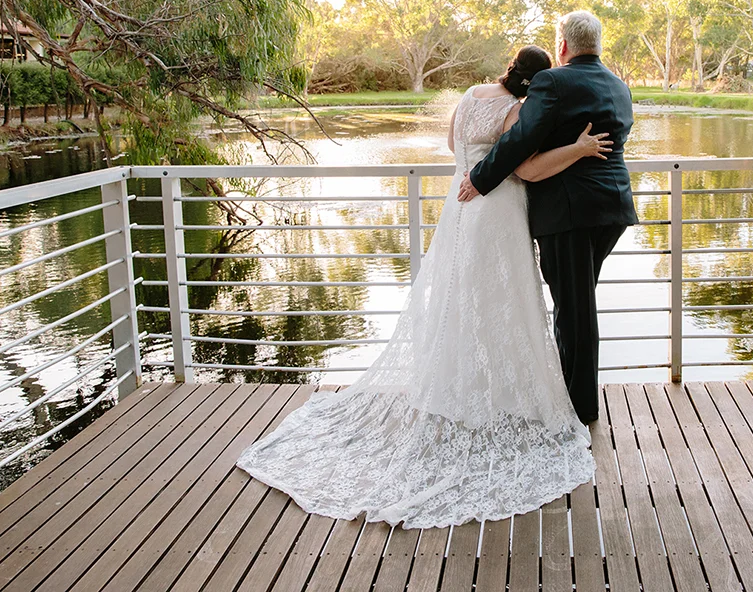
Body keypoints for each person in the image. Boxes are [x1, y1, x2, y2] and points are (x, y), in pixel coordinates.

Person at [236, 46, 612, 528]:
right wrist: (578, 149)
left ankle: (453, 386)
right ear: (538, 84)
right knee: (503, 301)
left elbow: (456, 147)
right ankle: (498, 392)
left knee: (458, 297)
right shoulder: (517, 113)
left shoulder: (472, 94)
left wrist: (474, 165)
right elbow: (526, 168)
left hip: (459, 208)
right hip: (497, 211)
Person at [459, 11, 637, 424]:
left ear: (563, 46)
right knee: (577, 305)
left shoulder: (553, 81)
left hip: (569, 212)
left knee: (574, 312)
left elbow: (520, 140)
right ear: (598, 44)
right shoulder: (620, 86)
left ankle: (580, 410)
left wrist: (480, 178)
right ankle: (571, 396)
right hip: (613, 209)